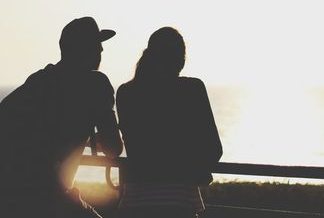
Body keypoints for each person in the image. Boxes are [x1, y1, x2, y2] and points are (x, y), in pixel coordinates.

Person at [0, 17, 123, 218]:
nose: (101, 50)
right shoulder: (96, 85)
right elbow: (113, 148)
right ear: (82, 49)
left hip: (13, 194)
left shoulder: (40, 80)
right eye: (96, 44)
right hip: (51, 197)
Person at [116, 27, 223, 218]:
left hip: (134, 203)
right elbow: (214, 149)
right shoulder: (192, 89)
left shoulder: (126, 93)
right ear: (180, 60)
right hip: (178, 202)